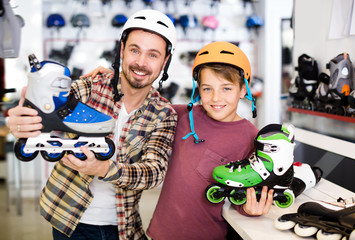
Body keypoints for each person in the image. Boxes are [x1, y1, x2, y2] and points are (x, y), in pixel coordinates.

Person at [7, 9, 178, 240]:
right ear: (122, 50)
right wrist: (25, 123)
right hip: (68, 218)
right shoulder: (92, 86)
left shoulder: (163, 113)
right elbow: (49, 112)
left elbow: (154, 172)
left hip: (123, 228)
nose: (140, 62)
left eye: (153, 55)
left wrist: (104, 169)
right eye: (134, 50)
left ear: (165, 61)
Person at [86, 41, 274, 240]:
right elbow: (145, 101)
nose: (216, 98)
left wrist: (249, 208)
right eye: (207, 89)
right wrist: (114, 79)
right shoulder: (184, 116)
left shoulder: (252, 139)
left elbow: (241, 195)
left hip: (209, 235)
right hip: (161, 233)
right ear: (198, 89)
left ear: (244, 89)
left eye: (226, 89)